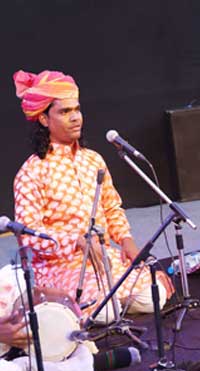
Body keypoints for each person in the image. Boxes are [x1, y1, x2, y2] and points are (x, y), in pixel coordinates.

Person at [12, 69, 174, 321]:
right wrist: (75, 241)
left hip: (104, 259)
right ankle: (89, 304)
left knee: (153, 297)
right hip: (61, 267)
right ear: (44, 119)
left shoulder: (93, 160)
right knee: (106, 312)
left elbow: (112, 207)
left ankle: (110, 298)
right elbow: (27, 234)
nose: (75, 118)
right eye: (64, 112)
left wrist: (127, 240)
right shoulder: (32, 172)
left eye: (76, 110)